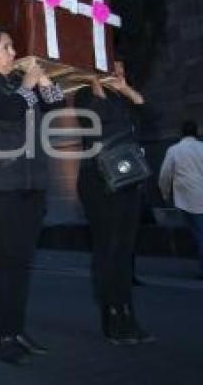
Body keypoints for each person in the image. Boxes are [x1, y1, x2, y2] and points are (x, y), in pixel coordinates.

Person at [0, 26, 65, 365]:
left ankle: (17, 330)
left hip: (30, 181)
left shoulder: (15, 84)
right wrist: (28, 84)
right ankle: (2, 334)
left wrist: (45, 80)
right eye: (6, 47)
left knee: (21, 262)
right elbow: (9, 110)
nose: (13, 51)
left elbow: (56, 106)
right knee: (4, 262)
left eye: (12, 46)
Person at [75, 66, 155, 345]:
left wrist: (126, 89)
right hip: (99, 180)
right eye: (113, 65)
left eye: (121, 67)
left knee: (124, 249)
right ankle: (112, 316)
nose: (119, 70)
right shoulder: (85, 93)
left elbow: (148, 116)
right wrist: (95, 82)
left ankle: (127, 312)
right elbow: (99, 120)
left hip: (127, 177)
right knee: (108, 249)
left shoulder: (120, 96)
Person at [159, 120, 203, 279]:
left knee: (198, 232)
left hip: (187, 198)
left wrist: (164, 193)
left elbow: (165, 174)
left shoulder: (174, 150)